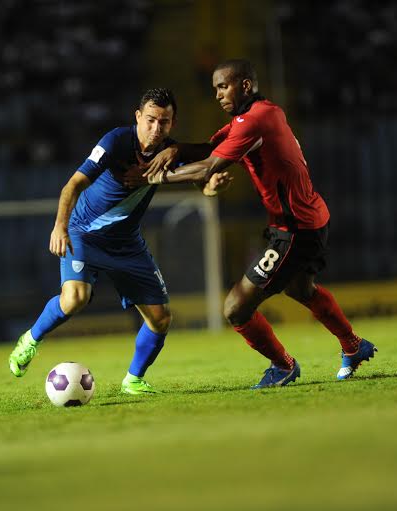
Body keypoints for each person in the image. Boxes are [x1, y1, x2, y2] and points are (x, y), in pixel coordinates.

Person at [124, 59, 376, 388]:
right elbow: (209, 149)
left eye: (223, 86)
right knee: (301, 289)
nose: (217, 94)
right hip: (307, 220)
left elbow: (209, 166)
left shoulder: (252, 121)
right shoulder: (263, 113)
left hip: (295, 230)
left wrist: (152, 177)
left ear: (245, 85)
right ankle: (353, 346)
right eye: (215, 88)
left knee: (236, 308)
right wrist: (177, 150)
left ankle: (283, 366)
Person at [8, 88, 178, 395]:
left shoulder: (172, 152)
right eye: (150, 120)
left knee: (161, 318)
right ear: (138, 117)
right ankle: (30, 339)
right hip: (84, 232)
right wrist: (60, 227)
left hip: (127, 243)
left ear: (172, 124)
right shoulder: (115, 142)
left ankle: (134, 379)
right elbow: (73, 185)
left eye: (163, 122)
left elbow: (204, 176)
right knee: (75, 298)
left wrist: (212, 184)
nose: (156, 128)